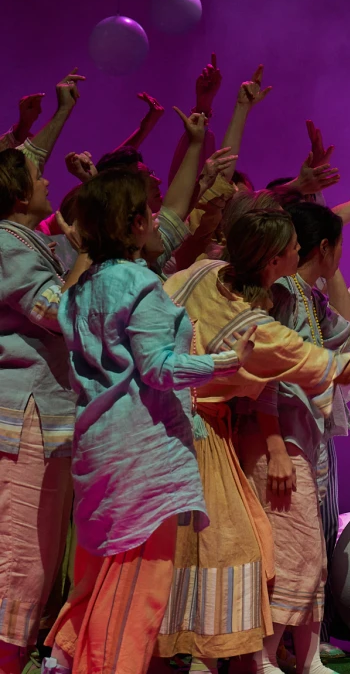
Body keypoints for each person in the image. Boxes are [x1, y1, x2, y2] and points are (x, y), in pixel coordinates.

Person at [159, 208, 350, 673]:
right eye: (292, 246)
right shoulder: (264, 312)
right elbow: (318, 372)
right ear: (276, 258)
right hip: (217, 434)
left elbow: (349, 341)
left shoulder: (283, 295)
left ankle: (278, 657)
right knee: (252, 550)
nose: (298, 251)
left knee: (261, 550)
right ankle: (253, 658)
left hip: (236, 431)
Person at [43, 170, 256, 674]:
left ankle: (65, 660)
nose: (159, 219)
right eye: (150, 211)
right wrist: (227, 360)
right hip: (141, 453)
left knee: (96, 578)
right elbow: (159, 368)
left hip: (99, 449)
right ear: (134, 223)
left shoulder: (80, 288)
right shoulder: (140, 285)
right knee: (138, 589)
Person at [241, 200, 350, 674]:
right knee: (292, 547)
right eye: (338, 246)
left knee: (312, 549)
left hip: (304, 435)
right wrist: (276, 445)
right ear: (323, 248)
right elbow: (269, 377)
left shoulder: (311, 299)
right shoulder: (281, 295)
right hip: (278, 438)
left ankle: (306, 656)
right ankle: (261, 656)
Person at [0, 149, 90, 674]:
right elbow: (58, 310)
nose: (47, 182)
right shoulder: (7, 243)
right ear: (17, 194)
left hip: (47, 410)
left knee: (39, 550)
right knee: (20, 549)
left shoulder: (28, 241)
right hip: (24, 411)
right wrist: (87, 251)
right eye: (37, 177)